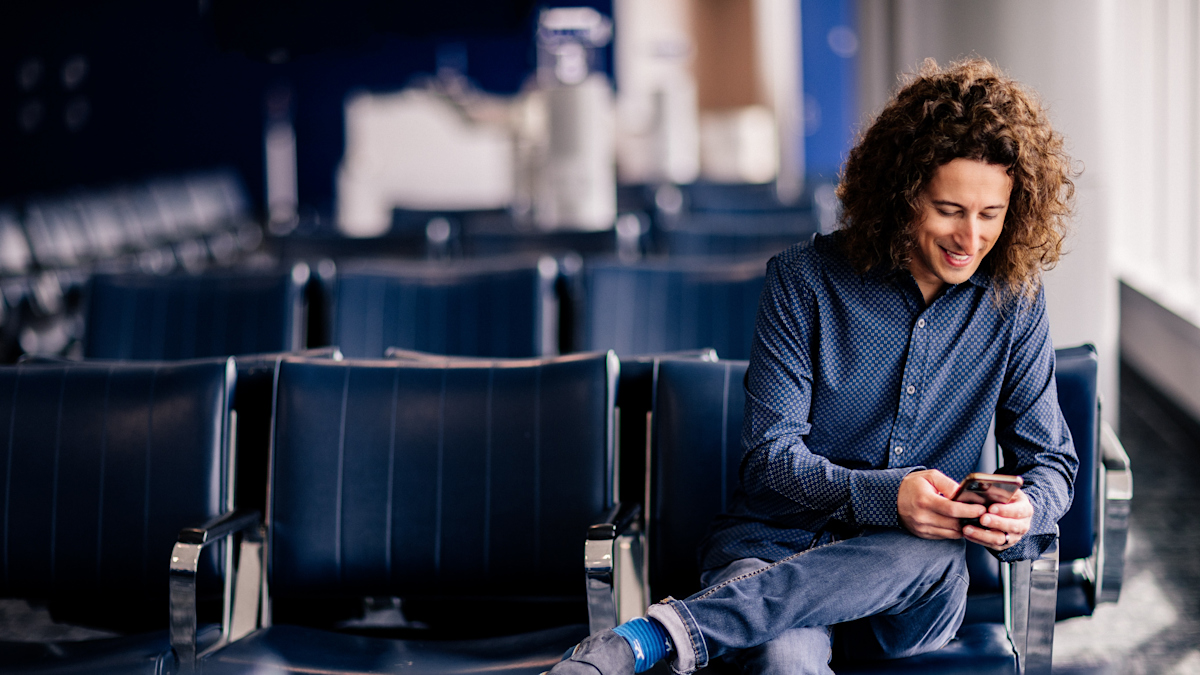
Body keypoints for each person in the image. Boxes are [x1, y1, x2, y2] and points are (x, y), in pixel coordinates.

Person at [549, 57, 1080, 675]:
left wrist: (1027, 510)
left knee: (928, 549)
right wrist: (889, 495)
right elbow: (770, 457)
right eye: (949, 209)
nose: (970, 237)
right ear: (902, 195)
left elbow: (1051, 462)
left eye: (990, 215)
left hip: (910, 583)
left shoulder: (1013, 299)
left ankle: (657, 637)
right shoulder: (804, 280)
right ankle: (685, 631)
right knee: (783, 658)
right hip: (774, 552)